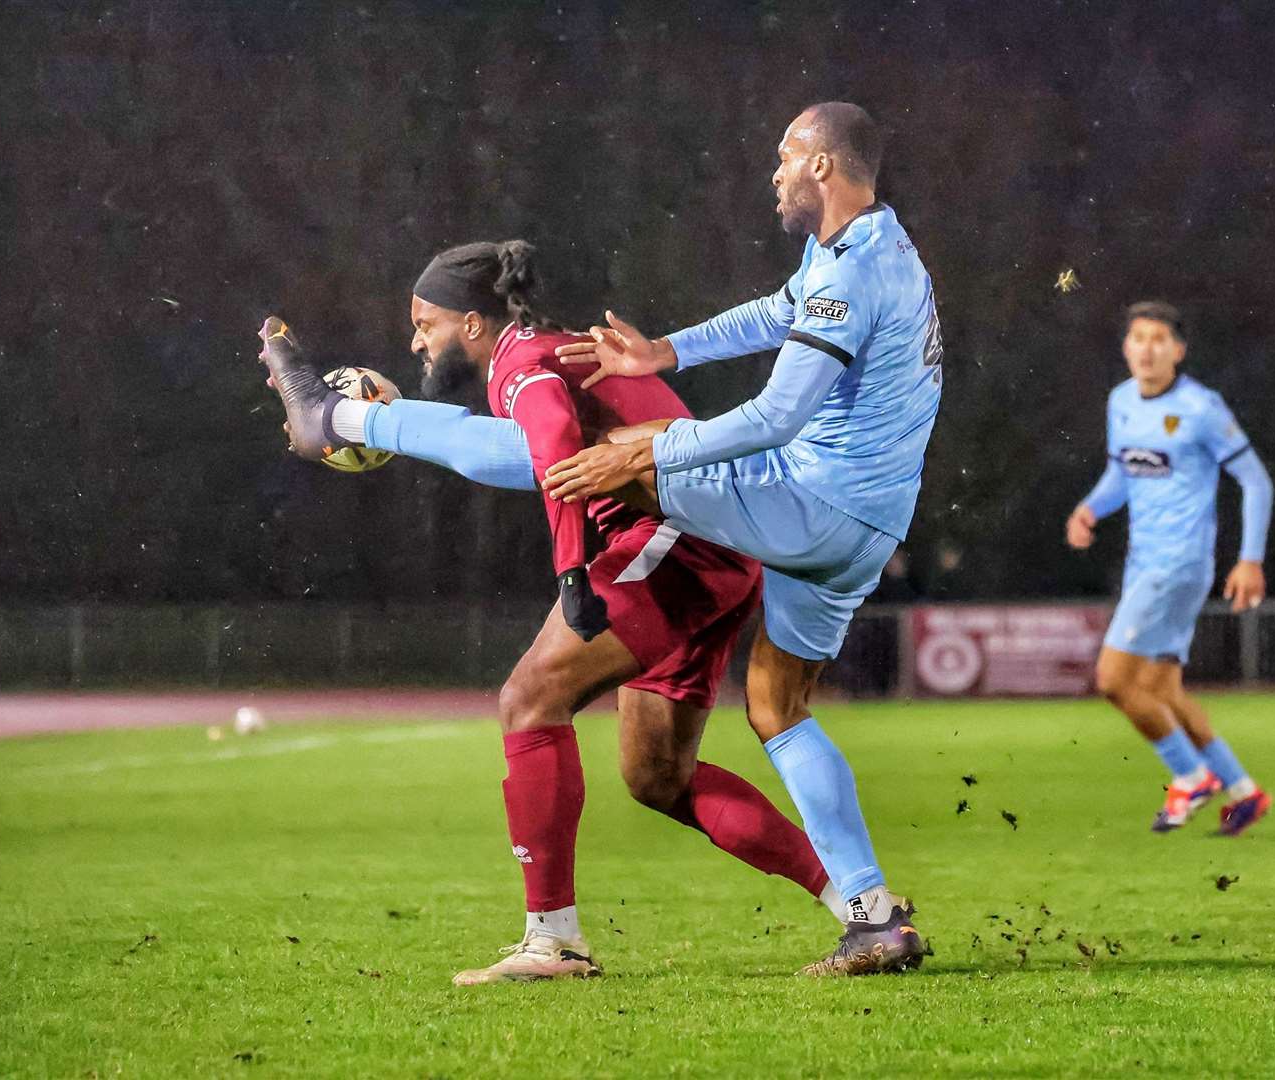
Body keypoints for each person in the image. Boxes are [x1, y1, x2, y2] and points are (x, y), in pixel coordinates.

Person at [257, 240, 847, 985]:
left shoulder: (523, 360)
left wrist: (571, 572)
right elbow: (522, 452)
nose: (415, 340)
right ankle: (862, 906)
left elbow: (555, 454)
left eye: (425, 323)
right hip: (711, 541)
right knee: (657, 775)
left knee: (530, 699)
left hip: (680, 542)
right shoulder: (547, 351)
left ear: (473, 323)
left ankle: (553, 941)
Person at [538, 101, 938, 975]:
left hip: (812, 502)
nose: (776, 173)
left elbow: (776, 415)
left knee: (608, 455)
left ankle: (387, 429)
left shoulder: (850, 276)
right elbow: (774, 312)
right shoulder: (868, 247)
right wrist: (666, 356)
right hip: (867, 526)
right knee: (776, 708)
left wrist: (652, 447)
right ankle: (873, 918)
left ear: (824, 166)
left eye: (786, 156)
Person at [1065, 301, 1273, 836]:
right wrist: (1090, 508)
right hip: (1144, 564)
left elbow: (1255, 481)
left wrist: (1249, 559)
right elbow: (1121, 474)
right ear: (1126, 348)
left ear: (1178, 351)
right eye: (1138, 337)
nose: (1148, 347)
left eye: (1159, 338)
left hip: (1177, 564)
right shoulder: (1122, 403)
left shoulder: (1201, 408)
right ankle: (1244, 792)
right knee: (1162, 691)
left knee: (1113, 680)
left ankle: (1191, 776)